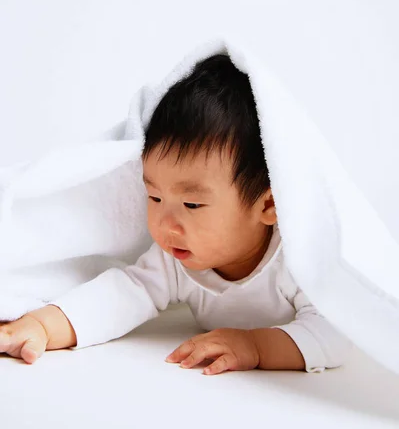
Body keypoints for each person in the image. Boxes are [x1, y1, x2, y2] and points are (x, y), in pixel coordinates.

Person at [0, 54, 351, 374]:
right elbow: (125, 293)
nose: (165, 225)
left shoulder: (295, 260)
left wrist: (256, 346)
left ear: (268, 206)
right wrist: (44, 326)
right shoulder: (175, 262)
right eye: (153, 197)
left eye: (192, 204)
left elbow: (335, 331)